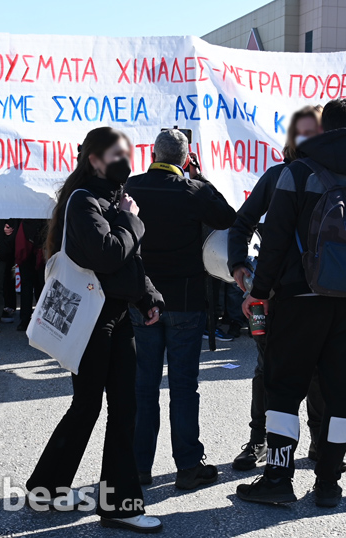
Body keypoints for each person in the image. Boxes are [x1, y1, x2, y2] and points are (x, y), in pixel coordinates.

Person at [237, 98, 346, 508]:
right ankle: (329, 481)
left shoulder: (296, 173)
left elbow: (273, 241)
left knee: (284, 389)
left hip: (297, 300)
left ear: (324, 128)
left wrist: (259, 292)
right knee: (342, 394)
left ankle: (277, 476)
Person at [26, 127, 164, 534]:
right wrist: (132, 221)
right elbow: (107, 255)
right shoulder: (84, 201)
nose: (125, 159)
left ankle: (50, 488)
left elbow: (128, 264)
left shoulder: (111, 201)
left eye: (128, 152)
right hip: (95, 321)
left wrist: (147, 297)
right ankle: (111, 502)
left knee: (111, 407)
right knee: (105, 407)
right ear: (94, 160)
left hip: (114, 316)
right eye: (116, 153)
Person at [125, 129, 236, 489]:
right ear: (185, 159)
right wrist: (199, 178)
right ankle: (188, 466)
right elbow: (228, 218)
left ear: (152, 154)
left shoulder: (132, 187)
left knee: (143, 386)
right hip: (185, 302)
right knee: (184, 386)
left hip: (142, 300)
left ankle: (139, 467)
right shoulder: (194, 190)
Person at [227, 105, 328, 472]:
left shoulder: (342, 179)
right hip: (267, 298)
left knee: (318, 372)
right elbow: (241, 224)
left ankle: (318, 443)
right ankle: (258, 441)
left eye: (315, 131)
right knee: (266, 370)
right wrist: (239, 265)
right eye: (301, 132)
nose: (307, 139)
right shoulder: (276, 176)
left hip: (321, 298)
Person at [15, 218, 46, 331]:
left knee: (33, 287)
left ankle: (27, 320)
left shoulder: (25, 213)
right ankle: (36, 319)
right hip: (38, 252)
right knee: (39, 287)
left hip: (33, 252)